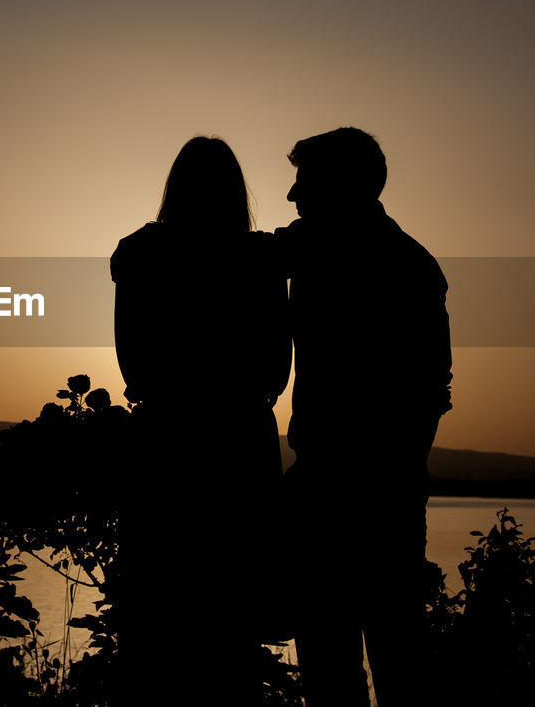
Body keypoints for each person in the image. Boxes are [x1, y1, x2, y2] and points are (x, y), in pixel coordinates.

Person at [109, 136, 291, 706]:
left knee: (161, 611)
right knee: (231, 615)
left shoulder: (140, 254)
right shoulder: (260, 258)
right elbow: (276, 367)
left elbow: (132, 363)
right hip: (238, 446)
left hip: (166, 443)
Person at [277, 127, 452, 707]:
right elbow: (234, 253)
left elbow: (429, 390)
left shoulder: (407, 268)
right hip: (354, 488)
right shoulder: (312, 248)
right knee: (345, 665)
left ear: (340, 187)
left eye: (304, 183)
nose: (292, 197)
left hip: (373, 494)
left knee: (385, 661)